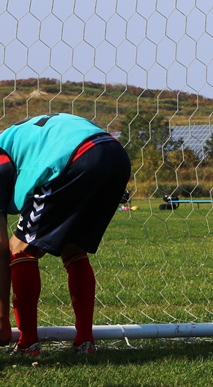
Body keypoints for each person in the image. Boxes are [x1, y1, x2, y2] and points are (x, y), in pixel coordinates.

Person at [0, 113, 131, 355]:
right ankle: (85, 341)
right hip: (115, 155)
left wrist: (2, 319)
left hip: (74, 157)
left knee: (20, 249)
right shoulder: (11, 139)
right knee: (73, 247)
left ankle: (28, 343)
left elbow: (0, 247)